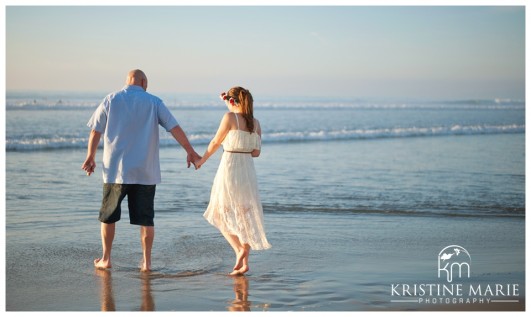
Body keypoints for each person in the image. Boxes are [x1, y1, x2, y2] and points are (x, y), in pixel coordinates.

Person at [81, 69, 201, 272]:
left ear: (127, 81)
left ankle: (106, 259)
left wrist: (90, 156)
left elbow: (96, 130)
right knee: (146, 219)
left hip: (116, 171)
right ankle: (146, 263)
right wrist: (190, 151)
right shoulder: (154, 102)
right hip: (146, 171)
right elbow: (174, 127)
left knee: (109, 216)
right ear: (144, 82)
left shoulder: (111, 99)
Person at [196, 86, 271, 276]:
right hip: (247, 170)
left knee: (220, 213)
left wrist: (201, 161)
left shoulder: (229, 118)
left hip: (229, 168)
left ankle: (239, 250)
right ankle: (244, 262)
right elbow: (256, 153)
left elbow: (214, 143)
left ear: (232, 102)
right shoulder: (256, 123)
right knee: (244, 213)